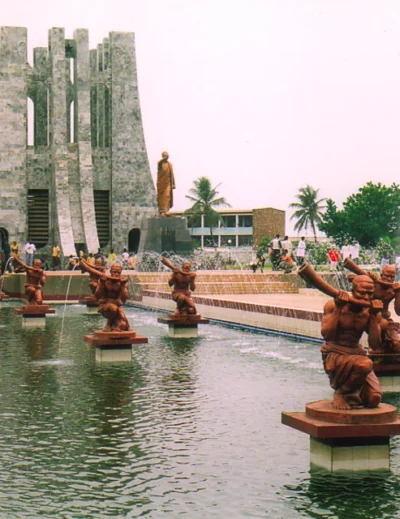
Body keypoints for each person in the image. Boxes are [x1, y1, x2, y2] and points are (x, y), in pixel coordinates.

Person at [321, 275, 383, 410]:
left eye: (370, 293)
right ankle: (341, 392)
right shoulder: (333, 305)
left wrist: (373, 317)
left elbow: (375, 345)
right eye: (362, 293)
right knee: (365, 364)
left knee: (374, 398)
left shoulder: (371, 312)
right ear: (353, 290)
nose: (366, 297)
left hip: (356, 353)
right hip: (335, 352)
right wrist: (338, 309)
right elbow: (327, 335)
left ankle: (352, 393)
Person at [80, 259, 131, 331]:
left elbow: (124, 300)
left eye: (118, 272)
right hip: (105, 306)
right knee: (113, 308)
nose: (116, 274)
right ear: (110, 272)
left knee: (123, 325)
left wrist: (122, 286)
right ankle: (108, 324)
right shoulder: (105, 281)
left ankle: (115, 327)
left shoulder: (123, 283)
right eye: (114, 272)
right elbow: (97, 296)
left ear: (121, 272)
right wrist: (102, 283)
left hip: (118, 308)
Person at [157, 151, 176, 217]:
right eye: (165, 155)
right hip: (161, 184)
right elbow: (159, 162)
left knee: (168, 196)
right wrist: (163, 159)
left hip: (168, 183)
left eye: (168, 155)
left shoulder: (170, 164)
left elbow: (172, 174)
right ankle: (161, 210)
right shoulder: (160, 164)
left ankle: (166, 210)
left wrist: (173, 183)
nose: (167, 156)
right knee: (162, 197)